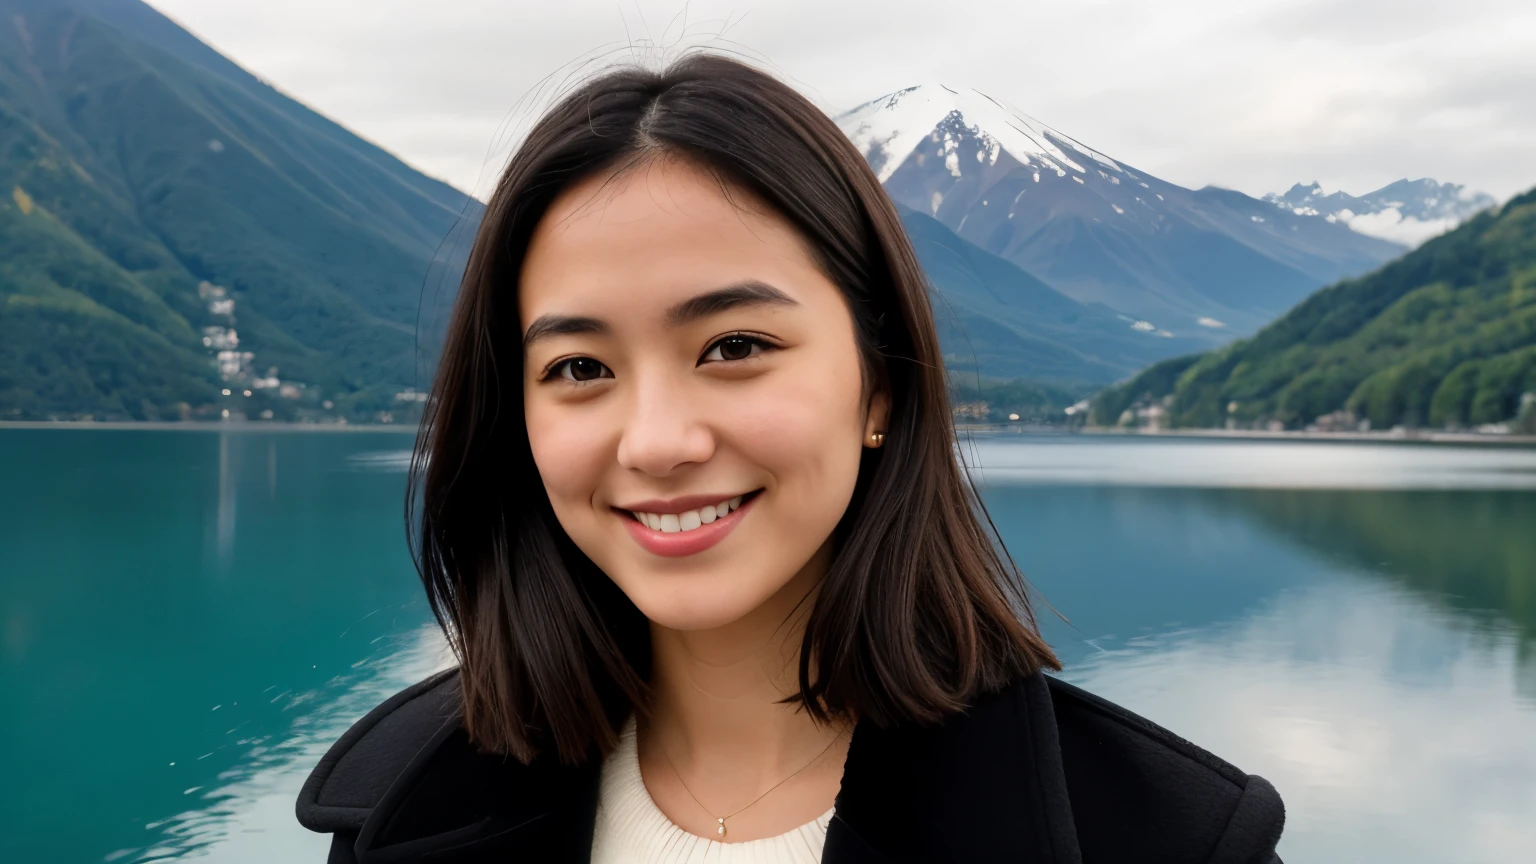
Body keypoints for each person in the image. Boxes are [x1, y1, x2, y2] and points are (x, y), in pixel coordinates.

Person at [294, 52, 1286, 863]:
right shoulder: (404, 808)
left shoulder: (1169, 844)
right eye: (581, 366)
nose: (658, 442)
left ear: (880, 386)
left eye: (734, 348)